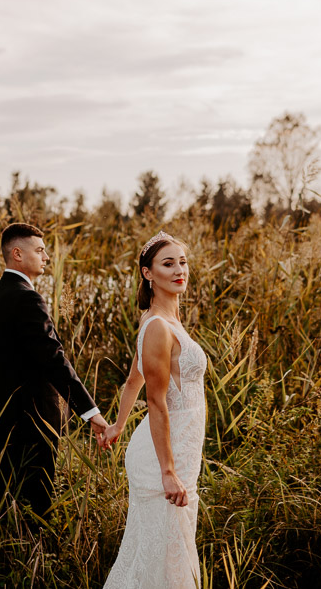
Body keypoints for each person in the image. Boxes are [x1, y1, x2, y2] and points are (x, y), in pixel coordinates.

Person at [0, 222, 109, 521]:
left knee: (3, 501)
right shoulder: (28, 298)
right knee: (39, 506)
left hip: (4, 416)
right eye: (39, 250)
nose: (46, 257)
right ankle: (39, 549)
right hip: (36, 421)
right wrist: (90, 411)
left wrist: (3, 394)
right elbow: (54, 360)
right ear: (17, 254)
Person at [101, 231, 207, 588]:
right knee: (163, 553)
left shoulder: (163, 321)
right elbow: (156, 401)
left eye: (183, 262)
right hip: (165, 457)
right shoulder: (158, 327)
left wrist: (117, 426)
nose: (179, 270)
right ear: (148, 273)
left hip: (182, 450)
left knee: (169, 550)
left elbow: (134, 379)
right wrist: (168, 472)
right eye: (168, 263)